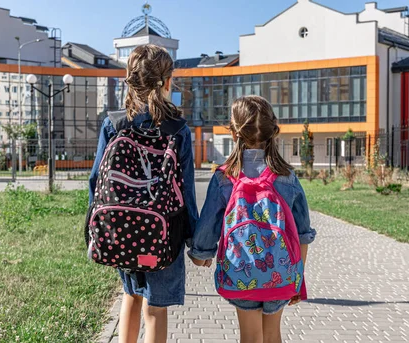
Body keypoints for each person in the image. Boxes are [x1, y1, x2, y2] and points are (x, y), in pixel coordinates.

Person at [88, 44, 198, 343]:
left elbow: (97, 179)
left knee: (130, 296)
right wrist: (194, 241)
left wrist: (95, 229)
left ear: (130, 78)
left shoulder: (114, 123)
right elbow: (186, 191)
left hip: (121, 226)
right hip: (166, 231)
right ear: (167, 81)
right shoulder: (178, 129)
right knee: (155, 308)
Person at [188, 95, 316, 343]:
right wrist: (297, 275)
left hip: (240, 272)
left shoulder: (225, 177)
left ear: (234, 133)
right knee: (272, 336)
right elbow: (303, 233)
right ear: (272, 131)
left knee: (250, 337)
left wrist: (201, 254)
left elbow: (208, 224)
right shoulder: (287, 176)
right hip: (281, 272)